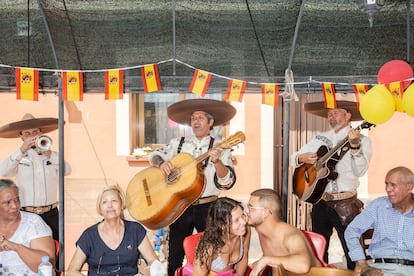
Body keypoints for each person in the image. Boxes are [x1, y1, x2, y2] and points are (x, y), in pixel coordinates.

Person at [148, 98, 237, 276]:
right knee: (175, 255)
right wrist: (161, 164)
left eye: (200, 118)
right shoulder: (178, 144)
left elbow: (227, 182)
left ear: (211, 122)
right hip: (181, 206)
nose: (195, 122)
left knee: (211, 254)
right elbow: (154, 154)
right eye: (193, 118)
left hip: (208, 206)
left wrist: (217, 161)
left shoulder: (221, 147)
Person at [290, 100, 373, 269]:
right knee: (318, 250)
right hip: (321, 202)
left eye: (336, 112)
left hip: (346, 204)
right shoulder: (320, 138)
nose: (331, 116)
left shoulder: (363, 140)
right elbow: (294, 157)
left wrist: (355, 148)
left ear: (348, 116)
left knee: (352, 252)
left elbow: (360, 171)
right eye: (329, 113)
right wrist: (302, 158)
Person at [0, 113, 72, 242]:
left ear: (41, 133)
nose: (32, 136)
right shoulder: (19, 158)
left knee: (57, 250)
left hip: (51, 213)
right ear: (21, 137)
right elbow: (3, 172)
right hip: (26, 213)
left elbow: (67, 170)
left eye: (35, 132)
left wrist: (49, 153)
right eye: (27, 133)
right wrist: (21, 151)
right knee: (27, 249)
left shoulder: (52, 155)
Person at [67, 185, 165, 275]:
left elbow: (154, 262)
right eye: (105, 202)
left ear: (122, 205)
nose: (110, 205)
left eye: (114, 201)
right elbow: (72, 271)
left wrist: (143, 274)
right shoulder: (89, 235)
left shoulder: (135, 230)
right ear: (100, 208)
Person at [345, 166, 414, 276]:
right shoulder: (378, 206)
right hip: (381, 270)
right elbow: (351, 231)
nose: (388, 189)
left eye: (393, 185)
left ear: (409, 187)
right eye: (386, 184)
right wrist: (363, 265)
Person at [247, 188, 321, 275]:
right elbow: (277, 257)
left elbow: (303, 265)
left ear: (265, 212)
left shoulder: (291, 236)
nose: (247, 211)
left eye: (251, 207)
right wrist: (259, 262)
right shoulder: (264, 232)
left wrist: (265, 260)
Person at [0, 179, 55, 275]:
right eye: (7, 202)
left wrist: (16, 247)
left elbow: (47, 263)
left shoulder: (33, 223)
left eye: (17, 200)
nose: (15, 206)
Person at [191, 197, 250, 276]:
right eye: (236, 220)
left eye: (243, 215)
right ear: (222, 225)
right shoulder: (209, 245)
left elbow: (243, 259)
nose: (243, 222)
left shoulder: (244, 231)